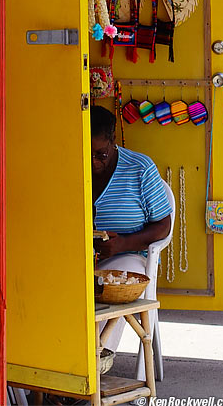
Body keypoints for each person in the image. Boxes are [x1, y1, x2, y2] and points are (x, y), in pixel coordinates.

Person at [89, 105, 173, 354]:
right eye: (87, 153)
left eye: (101, 154)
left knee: (113, 285)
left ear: (112, 141)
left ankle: (98, 355)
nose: (94, 162)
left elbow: (163, 225)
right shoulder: (70, 164)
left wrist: (123, 244)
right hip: (79, 258)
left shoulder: (140, 168)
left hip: (128, 257)